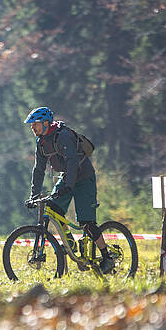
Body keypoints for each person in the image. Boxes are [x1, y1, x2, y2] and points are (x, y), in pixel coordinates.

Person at [24, 107, 114, 274]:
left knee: (86, 223)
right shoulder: (41, 142)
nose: (32, 128)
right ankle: (70, 243)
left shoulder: (63, 136)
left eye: (34, 124)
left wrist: (69, 186)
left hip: (84, 178)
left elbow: (72, 162)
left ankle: (107, 257)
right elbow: (38, 169)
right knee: (53, 207)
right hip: (67, 178)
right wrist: (33, 195)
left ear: (45, 123)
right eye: (31, 125)